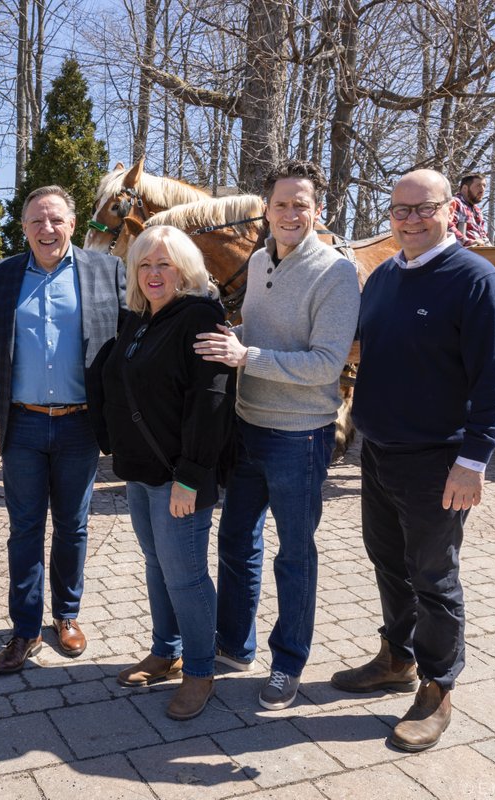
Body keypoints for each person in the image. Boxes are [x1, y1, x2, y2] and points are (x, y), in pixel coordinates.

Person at [332, 169, 495, 752]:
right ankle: (397, 657)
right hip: (380, 451)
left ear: (448, 211)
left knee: (434, 576)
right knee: (389, 562)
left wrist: (475, 458)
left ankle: (439, 686)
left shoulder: (474, 279)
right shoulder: (384, 276)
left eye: (423, 208)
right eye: (399, 210)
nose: (410, 219)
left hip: (439, 458)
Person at [193, 160, 361, 711]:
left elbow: (325, 363)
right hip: (247, 430)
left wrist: (248, 356)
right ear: (265, 209)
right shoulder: (262, 260)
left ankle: (288, 663)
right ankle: (234, 646)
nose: (291, 213)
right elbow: (262, 336)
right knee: (237, 542)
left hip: (299, 438)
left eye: (301, 204)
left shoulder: (335, 273)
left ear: (318, 210)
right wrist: (229, 338)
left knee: (295, 555)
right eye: (281, 203)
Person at [0, 185, 126, 673]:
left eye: (56, 219)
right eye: (37, 220)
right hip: (21, 424)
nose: (47, 229)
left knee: (73, 526)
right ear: (23, 226)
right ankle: (24, 629)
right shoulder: (0, 276)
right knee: (24, 529)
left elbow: (141, 326)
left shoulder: (106, 271)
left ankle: (66, 616)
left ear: (72, 223)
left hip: (80, 424)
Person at [97, 226, 233, 720]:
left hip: (181, 475)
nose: (154, 274)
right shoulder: (138, 318)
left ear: (186, 269)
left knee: (186, 576)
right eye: (145, 265)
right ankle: (166, 650)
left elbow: (210, 400)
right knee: (158, 564)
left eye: (165, 264)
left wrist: (193, 475)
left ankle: (200, 671)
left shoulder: (200, 317)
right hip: (141, 471)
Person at [448, 173, 491, 247]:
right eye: (478, 185)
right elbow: (447, 226)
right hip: (460, 253)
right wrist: (466, 242)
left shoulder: (477, 210)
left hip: (479, 253)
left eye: (484, 186)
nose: (482, 189)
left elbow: (483, 235)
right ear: (465, 188)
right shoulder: (455, 203)